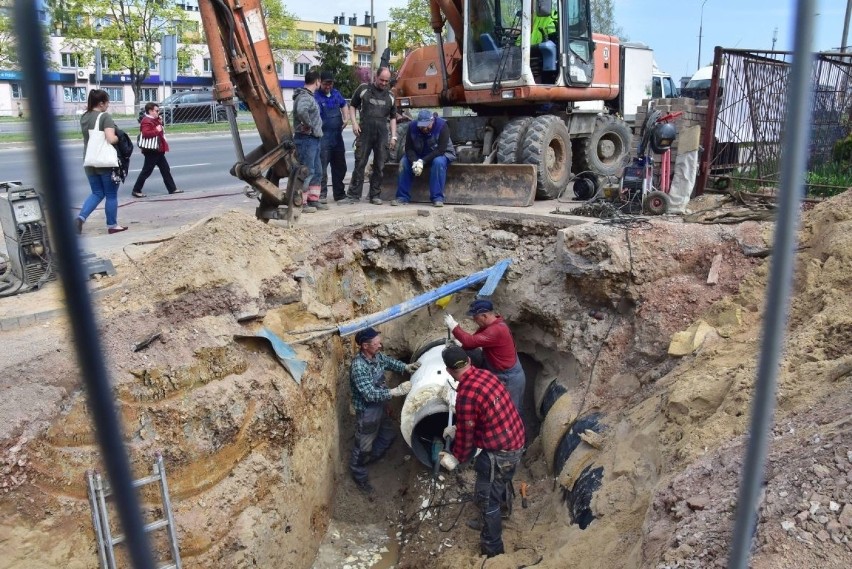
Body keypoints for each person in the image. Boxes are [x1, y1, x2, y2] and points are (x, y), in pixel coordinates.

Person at [438, 344, 525, 559]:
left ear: (449, 371)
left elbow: (467, 439)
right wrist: (459, 427)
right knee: (493, 478)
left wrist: (455, 457)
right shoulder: (487, 375)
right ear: (468, 361)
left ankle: (493, 548)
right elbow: (482, 416)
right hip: (515, 439)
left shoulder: (466, 395)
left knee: (488, 499)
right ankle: (501, 511)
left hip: (502, 452)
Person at [349, 327, 420, 493]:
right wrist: (395, 392)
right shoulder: (359, 367)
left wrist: (406, 367)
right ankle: (359, 474)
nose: (380, 346)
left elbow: (388, 362)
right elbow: (369, 394)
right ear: (365, 346)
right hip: (368, 412)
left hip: (381, 406)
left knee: (388, 434)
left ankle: (373, 458)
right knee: (362, 447)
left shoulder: (377, 356)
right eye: (376, 343)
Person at [444, 299, 526, 413]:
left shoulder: (497, 330)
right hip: (497, 369)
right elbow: (472, 343)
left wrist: (454, 327)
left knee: (511, 410)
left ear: (484, 316)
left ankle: (518, 430)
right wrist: (458, 343)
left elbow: (470, 342)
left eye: (475, 317)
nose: (473, 319)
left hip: (509, 377)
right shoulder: (488, 326)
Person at [343, 67, 398, 205]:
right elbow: (353, 105)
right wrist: (354, 123)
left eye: (387, 81)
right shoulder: (363, 89)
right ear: (376, 77)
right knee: (360, 162)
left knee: (379, 165)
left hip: (382, 134)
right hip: (365, 132)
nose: (384, 83)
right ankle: (354, 195)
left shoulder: (390, 96)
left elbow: (393, 118)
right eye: (382, 80)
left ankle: (375, 195)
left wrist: (393, 136)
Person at [75, 89, 127, 235]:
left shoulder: (84, 117)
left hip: (89, 160)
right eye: (107, 102)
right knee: (111, 195)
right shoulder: (105, 117)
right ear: (101, 103)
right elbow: (111, 139)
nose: (108, 105)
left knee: (97, 193)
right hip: (105, 162)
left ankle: (80, 218)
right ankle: (112, 225)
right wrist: (120, 137)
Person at [393, 109, 456, 208]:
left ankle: (437, 198)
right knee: (404, 162)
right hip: (420, 155)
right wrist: (415, 161)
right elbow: (408, 148)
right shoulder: (412, 127)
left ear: (432, 121)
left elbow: (441, 150)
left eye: (427, 125)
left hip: (441, 154)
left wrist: (423, 161)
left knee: (438, 162)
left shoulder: (442, 126)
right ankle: (402, 197)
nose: (424, 128)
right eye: (421, 126)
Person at [315, 70, 351, 204]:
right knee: (322, 168)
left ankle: (340, 194)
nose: (328, 87)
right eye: (325, 84)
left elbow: (344, 105)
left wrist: (346, 117)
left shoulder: (336, 94)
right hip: (323, 138)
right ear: (320, 82)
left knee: (340, 166)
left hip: (337, 137)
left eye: (330, 84)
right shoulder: (316, 96)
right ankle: (321, 195)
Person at [131, 102, 182, 198]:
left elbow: (159, 128)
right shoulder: (146, 121)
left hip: (158, 150)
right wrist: (157, 130)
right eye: (156, 111)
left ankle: (172, 189)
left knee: (165, 169)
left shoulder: (153, 119)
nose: (158, 112)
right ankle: (136, 190)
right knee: (147, 171)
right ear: (150, 111)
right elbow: (146, 134)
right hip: (151, 151)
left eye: (158, 111)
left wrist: (159, 121)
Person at [292, 70, 325, 213]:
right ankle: (301, 202)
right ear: (317, 81)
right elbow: (301, 110)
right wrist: (309, 125)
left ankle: (313, 199)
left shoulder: (308, 96)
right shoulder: (304, 96)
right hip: (307, 139)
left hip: (314, 139)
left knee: (317, 171)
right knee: (307, 171)